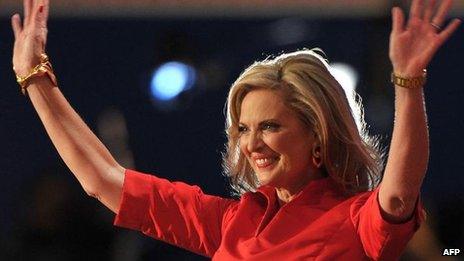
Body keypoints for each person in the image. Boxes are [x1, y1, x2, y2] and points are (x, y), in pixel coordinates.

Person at [10, 0, 461, 259]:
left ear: (318, 136)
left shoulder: (356, 220)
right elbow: (102, 181)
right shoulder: (230, 223)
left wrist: (407, 82)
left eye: (269, 126)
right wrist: (35, 80)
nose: (251, 143)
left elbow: (399, 195)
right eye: (242, 128)